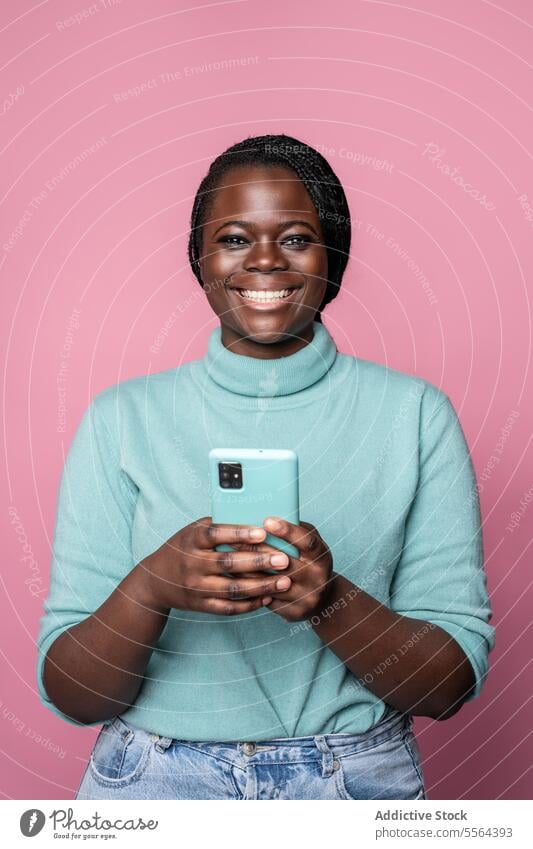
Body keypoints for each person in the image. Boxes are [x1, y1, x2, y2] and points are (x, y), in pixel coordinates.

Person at [36, 133, 495, 800]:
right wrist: (152, 588)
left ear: (331, 256)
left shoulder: (415, 415)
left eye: (295, 238)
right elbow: (72, 692)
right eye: (232, 238)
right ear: (197, 258)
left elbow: (447, 685)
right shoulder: (120, 419)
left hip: (352, 781)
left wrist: (328, 600)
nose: (262, 260)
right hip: (154, 783)